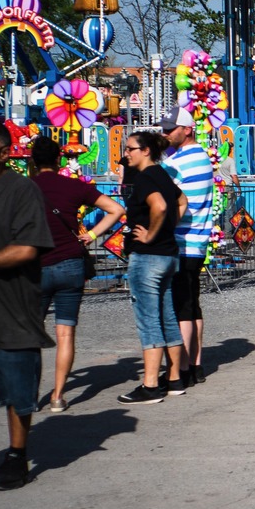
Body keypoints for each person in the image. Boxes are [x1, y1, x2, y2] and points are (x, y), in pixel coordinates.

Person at [0, 121, 55, 490]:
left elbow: (27, 248)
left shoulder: (21, 190)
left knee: (17, 393)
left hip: (10, 308)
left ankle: (16, 456)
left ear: (4, 154)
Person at [30, 135, 124, 412]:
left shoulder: (24, 188)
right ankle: (58, 396)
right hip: (70, 263)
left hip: (36, 267)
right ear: (58, 159)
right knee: (65, 334)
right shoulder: (74, 186)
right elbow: (116, 209)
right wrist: (92, 234)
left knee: (31, 336)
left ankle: (30, 396)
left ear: (33, 161)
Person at [118, 131, 188, 405]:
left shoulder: (145, 177)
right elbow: (182, 201)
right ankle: (174, 379)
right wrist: (168, 228)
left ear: (145, 150)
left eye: (130, 148)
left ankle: (150, 385)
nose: (126, 153)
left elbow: (158, 206)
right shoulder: (162, 175)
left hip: (148, 257)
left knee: (149, 320)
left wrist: (151, 234)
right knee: (167, 317)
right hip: (168, 255)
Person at [162, 109, 215, 386]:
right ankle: (196, 364)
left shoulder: (177, 162)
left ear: (187, 129)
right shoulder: (202, 157)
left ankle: (180, 368)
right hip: (199, 239)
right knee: (193, 304)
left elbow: (165, 199)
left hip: (181, 240)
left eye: (170, 129)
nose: (165, 134)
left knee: (180, 306)